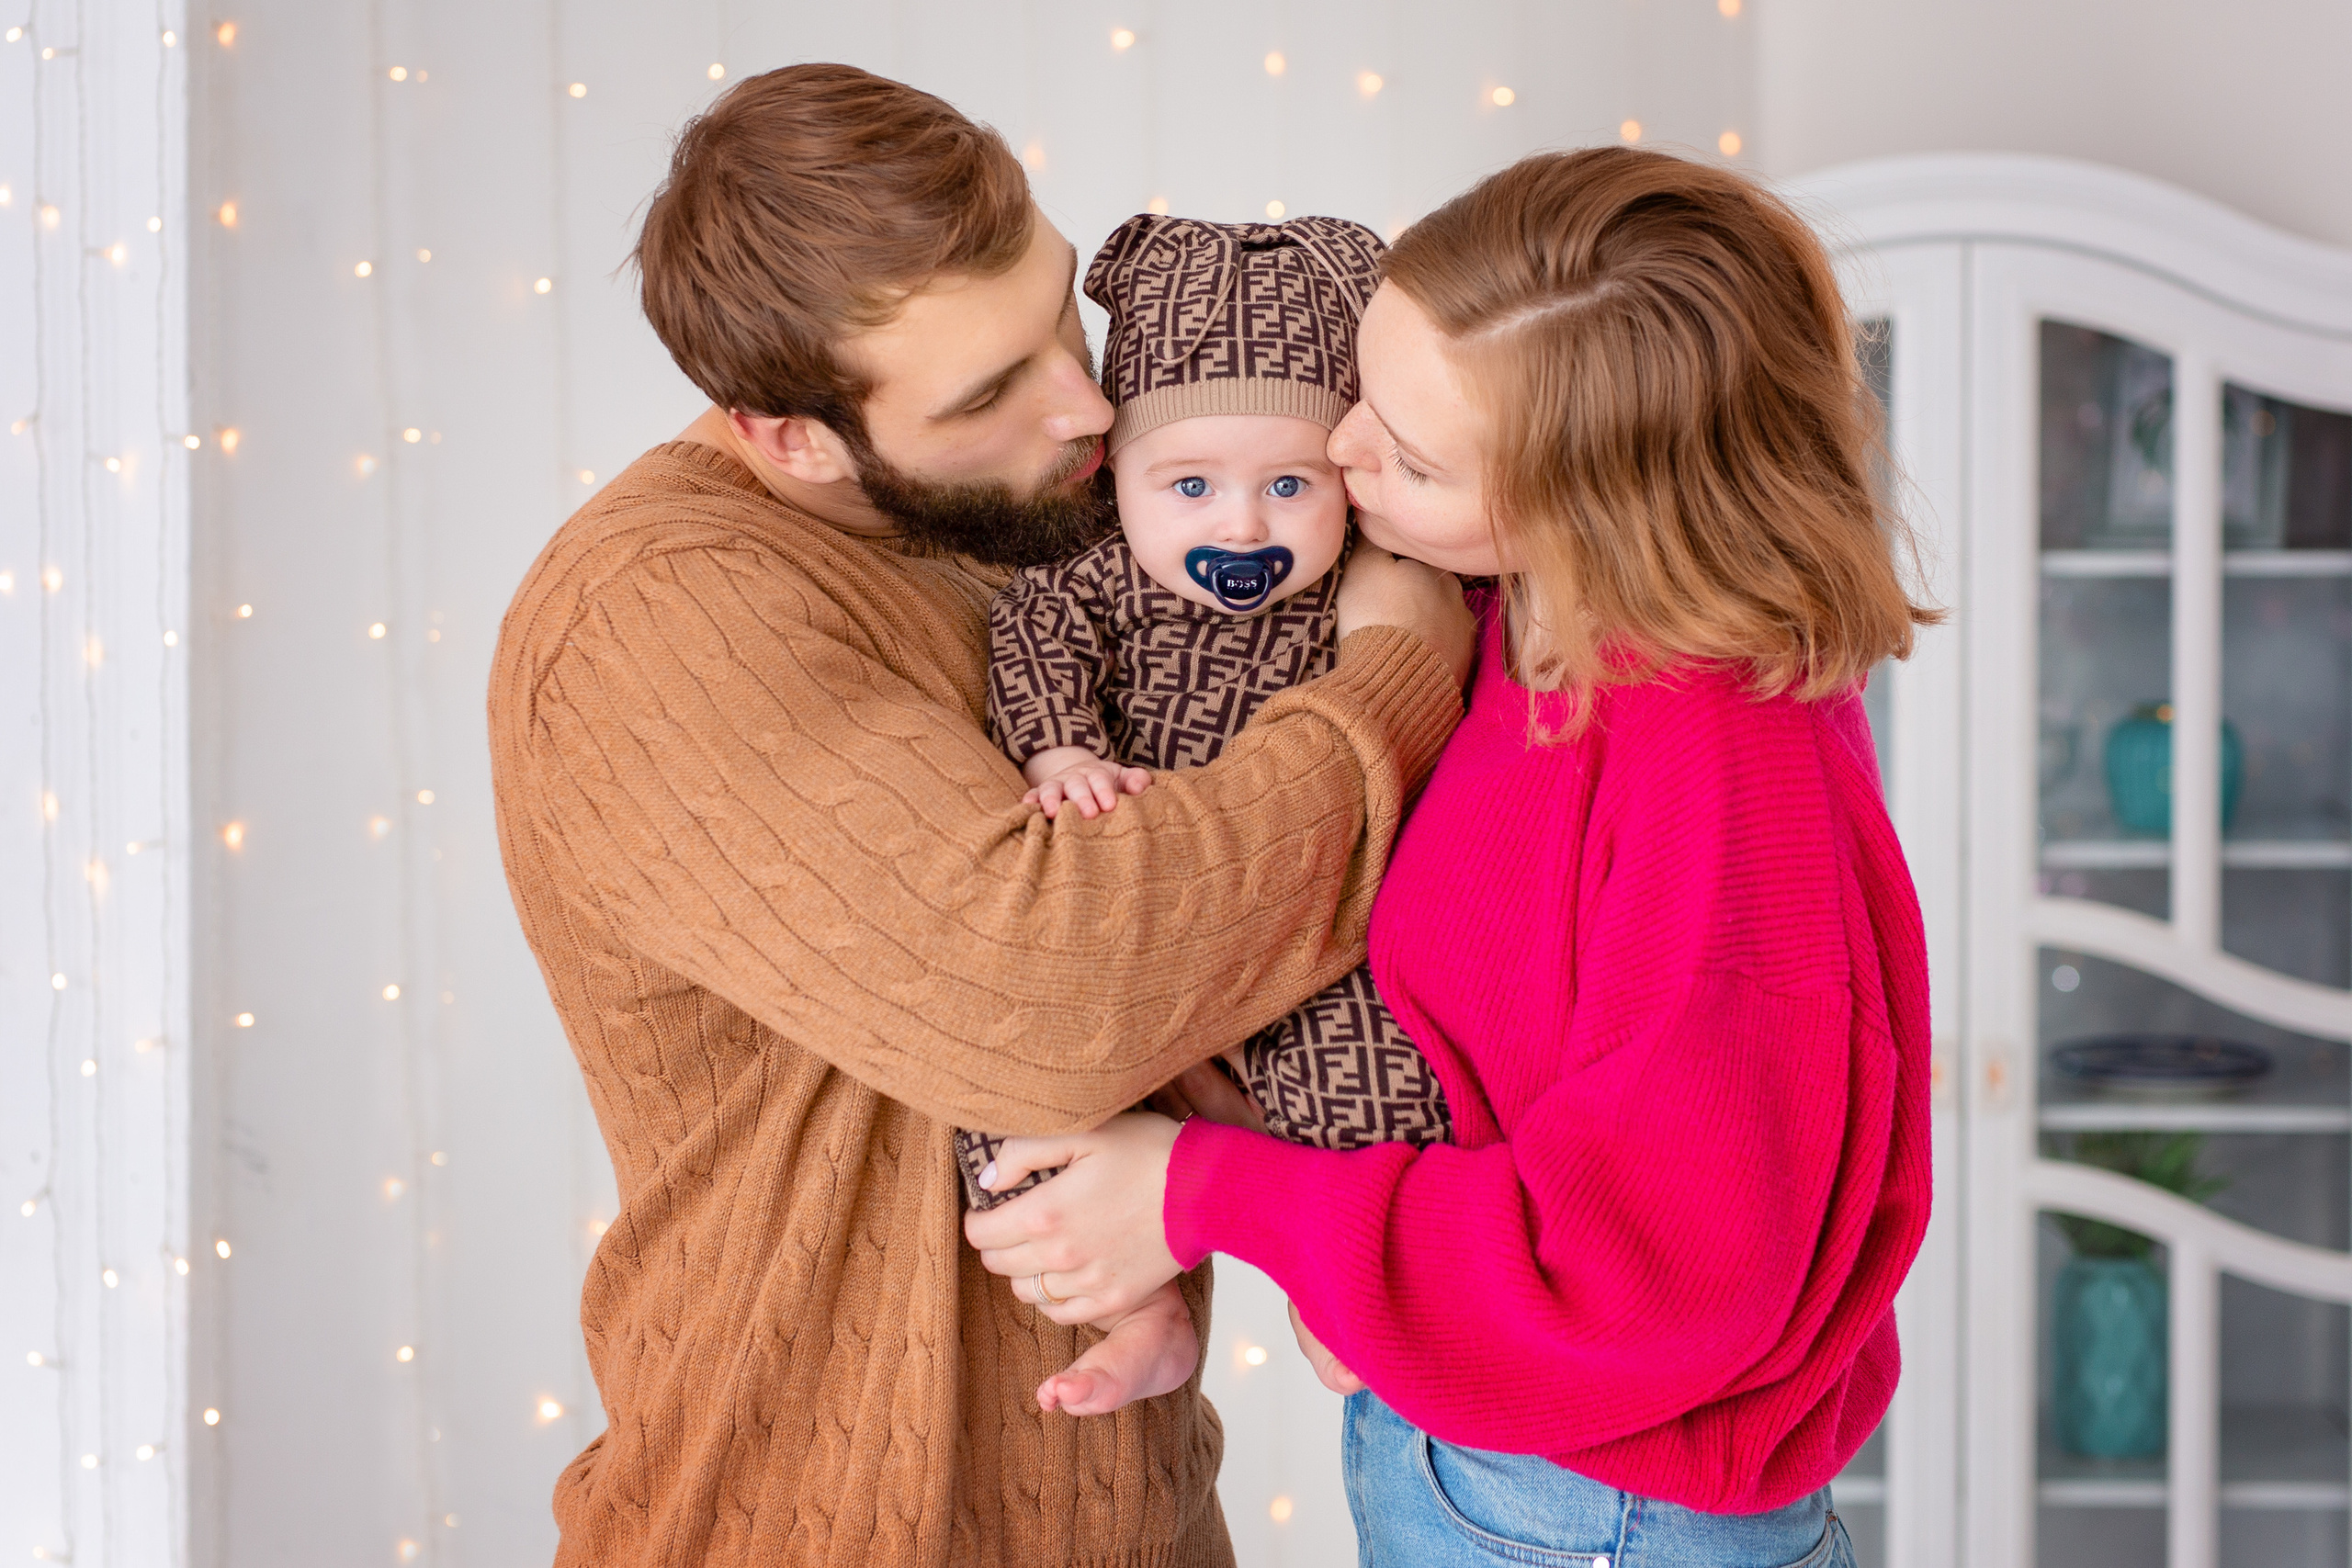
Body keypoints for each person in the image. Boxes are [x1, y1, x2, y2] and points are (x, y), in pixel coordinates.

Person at [486, 63, 1473, 1568]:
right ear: (789, 437)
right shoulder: (660, 614)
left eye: (1058, 318)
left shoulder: (1026, 518)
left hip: (1127, 1512)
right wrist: (1393, 672)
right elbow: (1056, 988)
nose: (1085, 401)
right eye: (986, 391)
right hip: (811, 1530)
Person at [967, 145, 1937, 1568]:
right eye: (1366, 389)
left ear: (1590, 505)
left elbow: (1644, 1272)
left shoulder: (1726, 773)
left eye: (1411, 460)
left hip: (1600, 1511)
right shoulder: (1516, 627)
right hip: (1485, 1452)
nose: (1342, 453)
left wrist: (1209, 1189)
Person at [957, 211, 1453, 1419]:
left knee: (1381, 1084)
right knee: (1003, 1098)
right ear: (1113, 477)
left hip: (1313, 935)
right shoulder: (1090, 571)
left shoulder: (1372, 571)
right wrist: (1061, 746)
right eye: (1189, 485)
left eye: (1290, 485)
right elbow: (1033, 642)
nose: (1242, 527)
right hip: (1134, 919)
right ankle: (1143, 1312)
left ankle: (1334, 1284)